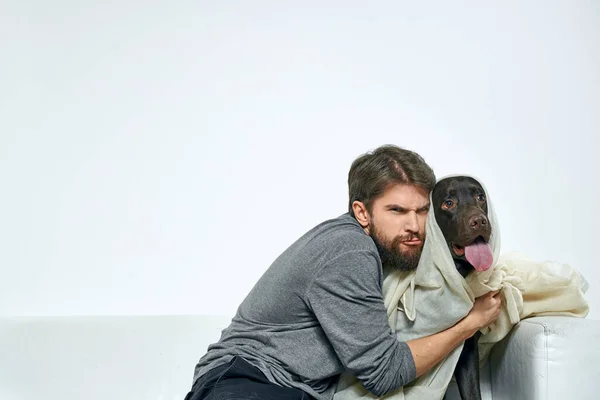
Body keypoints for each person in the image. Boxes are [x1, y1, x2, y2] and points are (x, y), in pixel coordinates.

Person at [184, 145, 502, 400]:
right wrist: (470, 323)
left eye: (422, 211)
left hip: (292, 388)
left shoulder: (388, 250)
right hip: (245, 379)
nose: (414, 226)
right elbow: (384, 372)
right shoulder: (351, 251)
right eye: (397, 210)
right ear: (361, 212)